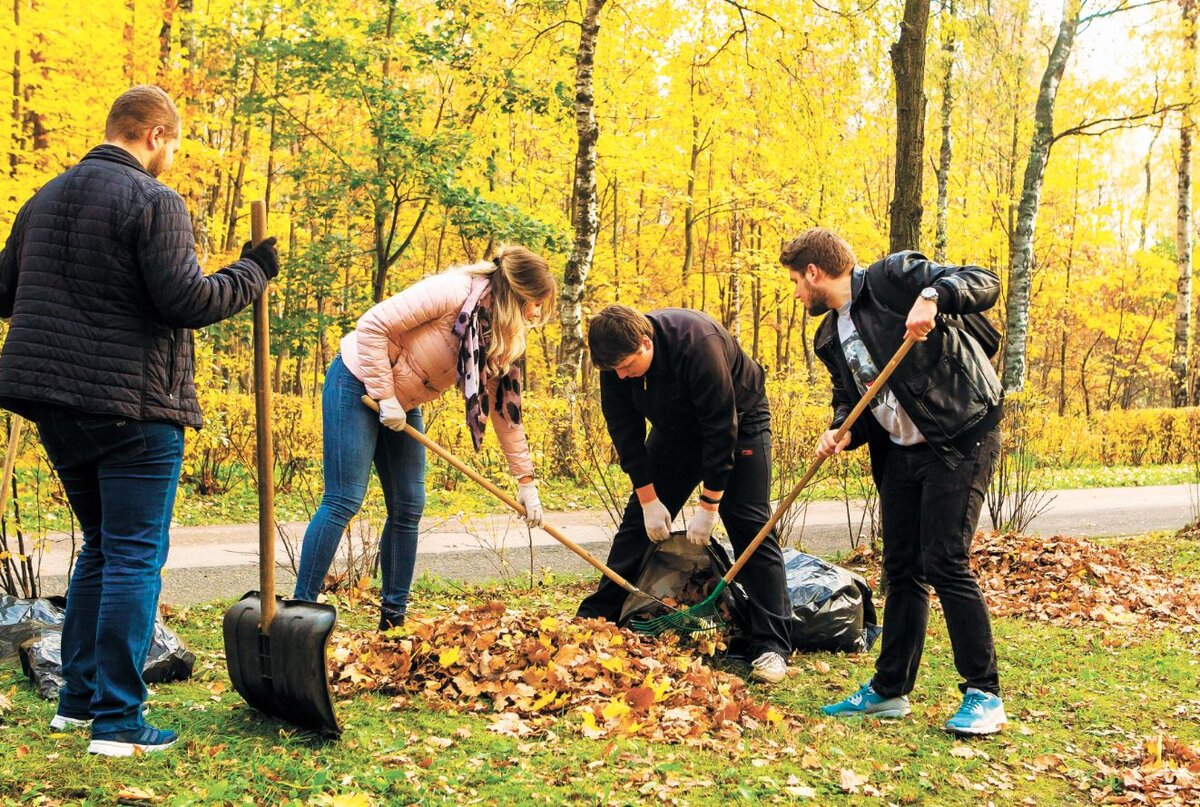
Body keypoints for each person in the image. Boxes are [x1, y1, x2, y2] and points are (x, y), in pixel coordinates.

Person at [0, 85, 279, 755]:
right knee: (132, 553)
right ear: (154, 134)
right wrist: (252, 271)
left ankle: (77, 699)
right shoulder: (155, 201)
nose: (173, 158)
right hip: (134, 409)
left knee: (101, 545)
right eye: (174, 145)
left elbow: (5, 293)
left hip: (54, 406)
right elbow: (186, 299)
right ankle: (119, 722)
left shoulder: (43, 199)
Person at [780, 227, 1006, 735]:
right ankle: (888, 692)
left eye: (796, 281)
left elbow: (983, 282)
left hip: (958, 433)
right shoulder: (828, 336)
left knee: (944, 560)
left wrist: (933, 296)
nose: (797, 293)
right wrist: (840, 429)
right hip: (900, 453)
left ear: (814, 273)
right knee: (902, 569)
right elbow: (854, 397)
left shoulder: (892, 277)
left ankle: (984, 694)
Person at [293, 246, 555, 630]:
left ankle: (392, 620)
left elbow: (506, 413)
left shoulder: (501, 334)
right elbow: (372, 325)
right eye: (534, 304)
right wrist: (384, 396)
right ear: (515, 294)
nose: (536, 315)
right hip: (357, 381)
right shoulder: (452, 292)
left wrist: (526, 481)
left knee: (409, 504)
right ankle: (299, 611)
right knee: (345, 497)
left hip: (401, 400)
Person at [576, 304, 793, 683]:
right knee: (634, 529)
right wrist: (647, 498)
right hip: (675, 431)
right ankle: (597, 617)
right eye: (615, 371)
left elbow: (720, 429)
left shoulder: (697, 343)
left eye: (628, 366)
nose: (622, 375)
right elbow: (624, 433)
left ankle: (771, 645)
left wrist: (709, 506)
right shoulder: (614, 362)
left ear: (646, 342)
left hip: (738, 422)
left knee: (750, 527)